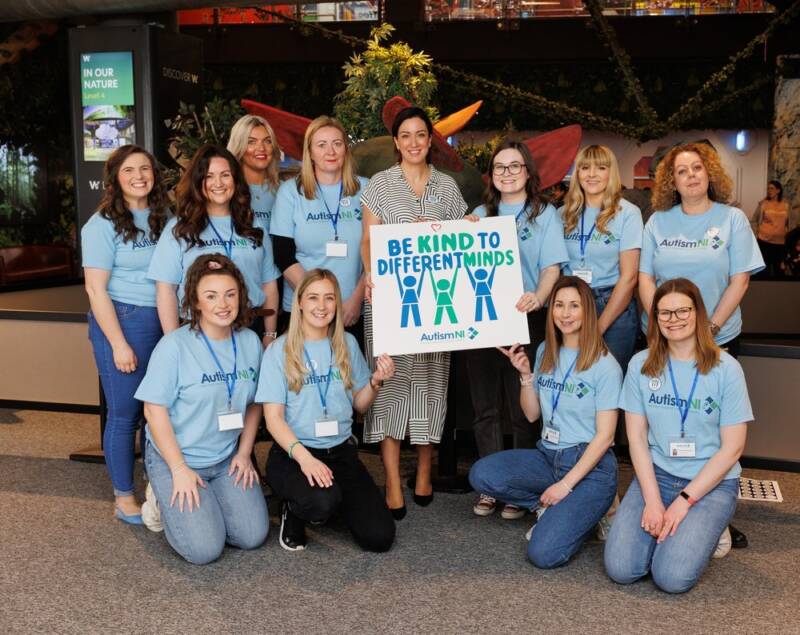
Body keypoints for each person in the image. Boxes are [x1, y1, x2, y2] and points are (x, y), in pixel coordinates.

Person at [604, 278, 752, 593]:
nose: (674, 319)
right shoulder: (640, 365)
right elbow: (637, 439)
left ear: (697, 313)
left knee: (671, 578)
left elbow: (733, 448)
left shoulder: (726, 369)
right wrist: (653, 501)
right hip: (658, 474)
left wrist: (684, 502)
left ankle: (711, 528)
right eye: (665, 313)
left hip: (710, 483)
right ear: (655, 319)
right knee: (621, 569)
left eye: (683, 310)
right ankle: (676, 533)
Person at [360, 106, 469, 518]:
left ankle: (424, 470)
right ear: (396, 142)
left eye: (420, 134)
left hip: (436, 305)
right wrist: (370, 272)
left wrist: (461, 226)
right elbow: (367, 241)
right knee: (389, 385)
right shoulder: (380, 185)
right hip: (390, 300)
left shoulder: (447, 187)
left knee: (429, 385)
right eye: (405, 135)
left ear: (430, 140)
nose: (413, 142)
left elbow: (463, 241)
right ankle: (391, 480)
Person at [469, 276, 622, 568]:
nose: (565, 314)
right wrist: (526, 376)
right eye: (559, 305)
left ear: (588, 311)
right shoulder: (545, 352)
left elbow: (605, 437)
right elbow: (532, 414)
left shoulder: (605, 365)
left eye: (574, 306)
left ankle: (591, 508)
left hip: (590, 467)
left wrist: (565, 486)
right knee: (482, 475)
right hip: (548, 456)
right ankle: (559, 509)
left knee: (543, 554)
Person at [135, 254, 268, 564]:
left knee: (252, 536)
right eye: (211, 296)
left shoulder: (250, 342)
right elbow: (153, 411)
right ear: (195, 302)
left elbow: (254, 404)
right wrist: (179, 469)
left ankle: (210, 502)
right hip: (177, 457)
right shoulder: (174, 346)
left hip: (225, 456)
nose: (223, 304)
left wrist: (244, 453)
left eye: (230, 294)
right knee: (205, 550)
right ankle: (159, 498)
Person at [258, 269, 396, 552]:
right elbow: (273, 420)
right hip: (294, 454)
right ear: (299, 302)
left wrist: (375, 382)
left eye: (329, 298)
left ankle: (333, 497)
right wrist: (306, 460)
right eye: (313, 298)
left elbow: (359, 404)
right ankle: (293, 509)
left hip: (341, 453)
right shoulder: (279, 351)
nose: (321, 306)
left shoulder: (347, 343)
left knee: (379, 538)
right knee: (321, 502)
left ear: (337, 303)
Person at [468, 139, 568, 519]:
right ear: (491, 175)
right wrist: (461, 232)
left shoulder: (545, 214)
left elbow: (551, 268)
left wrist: (539, 298)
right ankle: (489, 485)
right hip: (482, 320)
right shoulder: (480, 214)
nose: (507, 173)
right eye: (499, 167)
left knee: (521, 405)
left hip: (527, 318)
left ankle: (518, 488)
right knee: (485, 406)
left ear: (527, 172)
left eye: (514, 166)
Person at [81, 144, 169, 524]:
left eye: (145, 169)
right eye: (129, 170)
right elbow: (95, 289)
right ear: (115, 179)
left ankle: (156, 486)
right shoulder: (101, 225)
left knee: (158, 410)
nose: (139, 176)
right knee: (125, 415)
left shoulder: (164, 216)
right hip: (123, 322)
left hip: (164, 320)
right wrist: (118, 343)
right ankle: (123, 497)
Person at [148, 144, 280, 346]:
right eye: (209, 176)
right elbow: (165, 289)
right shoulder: (179, 228)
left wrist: (269, 335)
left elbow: (269, 284)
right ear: (198, 182)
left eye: (225, 175)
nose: (218, 183)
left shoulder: (254, 225)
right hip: (197, 331)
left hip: (250, 327)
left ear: (236, 180)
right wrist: (174, 342)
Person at [640, 142, 764, 357]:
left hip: (717, 336)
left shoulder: (733, 219)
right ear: (672, 182)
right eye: (682, 171)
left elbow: (740, 282)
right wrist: (663, 324)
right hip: (663, 336)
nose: (691, 174)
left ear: (709, 173)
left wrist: (710, 330)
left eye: (697, 167)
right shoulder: (657, 221)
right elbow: (645, 279)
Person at [271, 116, 368, 339]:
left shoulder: (366, 189)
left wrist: (356, 300)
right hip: (305, 309)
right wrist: (319, 302)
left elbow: (377, 251)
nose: (330, 151)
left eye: (337, 143)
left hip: (354, 309)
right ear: (310, 152)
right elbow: (283, 255)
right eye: (321, 145)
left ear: (346, 149)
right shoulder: (291, 192)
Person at [561, 145, 642, 372]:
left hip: (613, 306)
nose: (592, 174)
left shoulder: (627, 213)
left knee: (610, 379)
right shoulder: (563, 214)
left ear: (611, 172)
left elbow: (629, 277)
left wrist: (597, 328)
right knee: (574, 377)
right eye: (585, 167)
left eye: (601, 168)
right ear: (577, 173)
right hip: (571, 305)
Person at [227, 113, 283, 232]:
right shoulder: (227, 190)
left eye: (267, 141)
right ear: (238, 146)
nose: (261, 148)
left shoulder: (285, 191)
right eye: (251, 142)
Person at [751, 180, 793, 278]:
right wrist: (757, 233)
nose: (769, 191)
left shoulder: (786, 205)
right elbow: (754, 220)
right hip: (764, 241)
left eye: (772, 188)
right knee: (764, 271)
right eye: (768, 189)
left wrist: (787, 233)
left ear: (778, 190)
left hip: (780, 243)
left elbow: (790, 222)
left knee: (779, 270)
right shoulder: (763, 204)